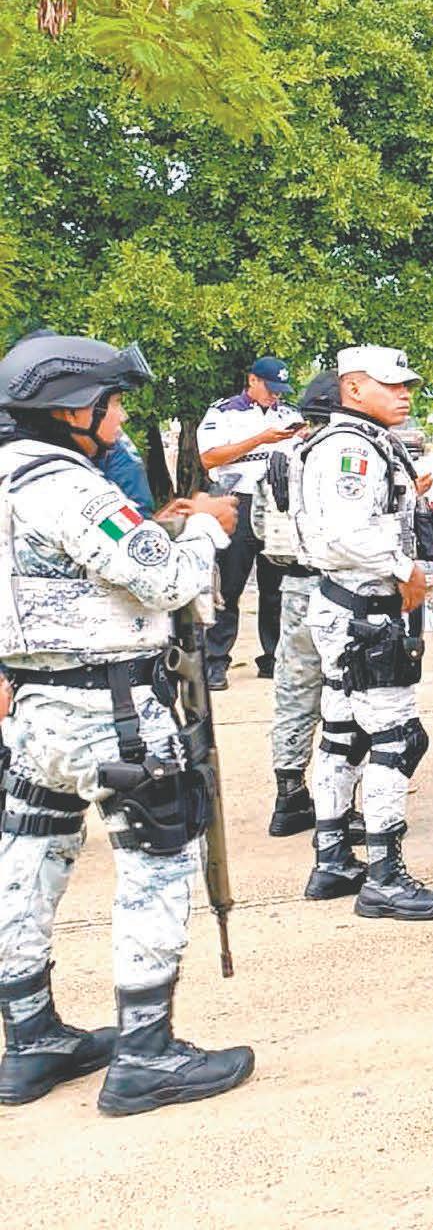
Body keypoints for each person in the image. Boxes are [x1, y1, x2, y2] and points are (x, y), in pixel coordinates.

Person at [0, 332, 256, 1113]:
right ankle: (146, 1052)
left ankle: (29, 1038)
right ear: (73, 408)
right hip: (111, 713)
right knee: (157, 864)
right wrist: (206, 525)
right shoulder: (67, 485)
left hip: (36, 709)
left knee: (29, 862)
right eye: (111, 403)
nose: (118, 417)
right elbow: (165, 579)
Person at [302, 344, 433, 920]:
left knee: (342, 735)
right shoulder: (351, 448)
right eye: (391, 385)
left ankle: (333, 859)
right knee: (397, 739)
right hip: (364, 612)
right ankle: (385, 877)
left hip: (347, 608)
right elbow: (346, 533)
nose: (404, 394)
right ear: (353, 388)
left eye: (406, 384)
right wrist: (405, 569)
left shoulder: (358, 441)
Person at [256, 370, 355, 842]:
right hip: (344, 590)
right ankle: (341, 807)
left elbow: (261, 530)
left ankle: (289, 795)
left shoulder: (282, 459)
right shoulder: (349, 457)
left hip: (295, 589)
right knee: (350, 695)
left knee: (294, 691)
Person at [196, 356, 302, 689]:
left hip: (278, 504)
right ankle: (215, 661)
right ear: (253, 380)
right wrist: (260, 439)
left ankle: (275, 657)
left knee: (276, 587)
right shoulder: (224, 413)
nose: (276, 396)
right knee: (229, 585)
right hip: (237, 501)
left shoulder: (289, 415)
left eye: (280, 390)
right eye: (271, 388)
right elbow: (209, 458)